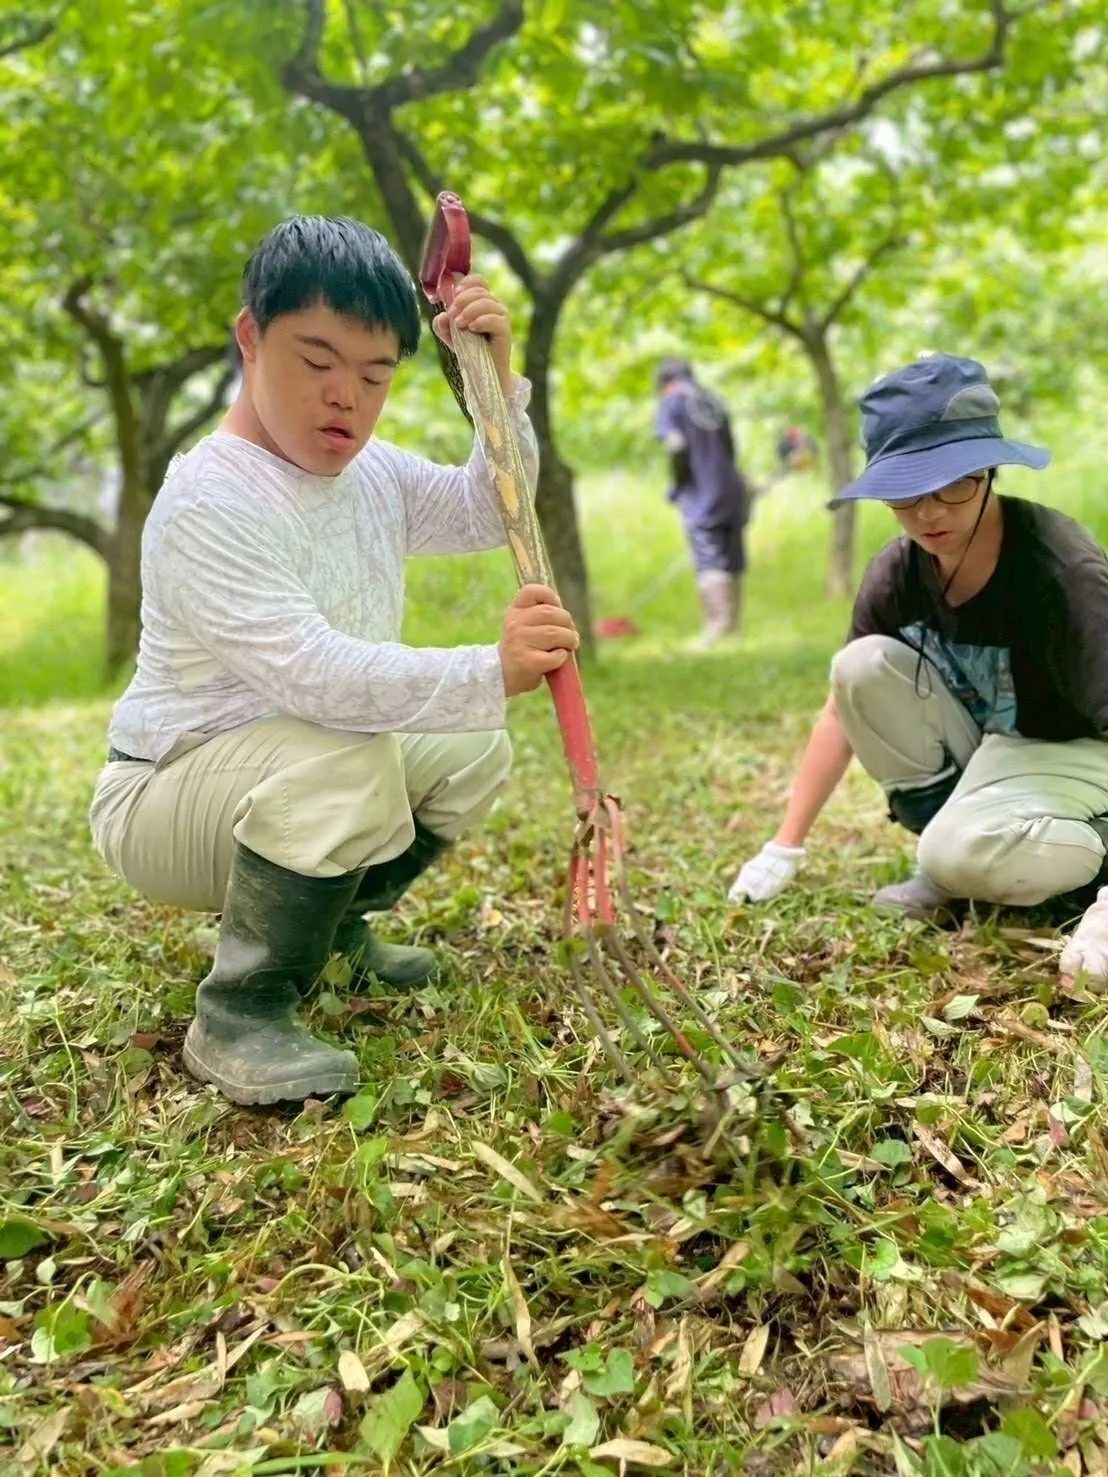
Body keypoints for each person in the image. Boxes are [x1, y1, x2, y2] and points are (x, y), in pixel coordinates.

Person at [88, 215, 579, 1106]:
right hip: (168, 790)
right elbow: (316, 672)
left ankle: (334, 931)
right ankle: (240, 1009)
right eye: (317, 364)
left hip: (294, 766)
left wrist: (496, 382)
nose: (345, 397)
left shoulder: (372, 473)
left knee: (473, 745)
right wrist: (486, 666)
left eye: (375, 373)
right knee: (354, 754)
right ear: (249, 336)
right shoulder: (210, 496)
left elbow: (486, 507)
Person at [728, 354, 1108, 989]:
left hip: (1076, 746)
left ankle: (1081, 866)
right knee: (860, 666)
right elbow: (839, 708)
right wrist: (783, 845)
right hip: (994, 748)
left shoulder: (1061, 576)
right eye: (906, 491)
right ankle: (961, 866)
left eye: (952, 483)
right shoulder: (900, 570)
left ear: (988, 470)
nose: (930, 513)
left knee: (956, 853)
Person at [655, 358, 750, 647]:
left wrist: (679, 483)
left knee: (709, 558)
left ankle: (717, 626)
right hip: (732, 490)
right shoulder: (712, 399)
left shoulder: (672, 402)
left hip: (702, 496)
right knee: (731, 556)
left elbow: (676, 445)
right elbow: (731, 447)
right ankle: (733, 627)